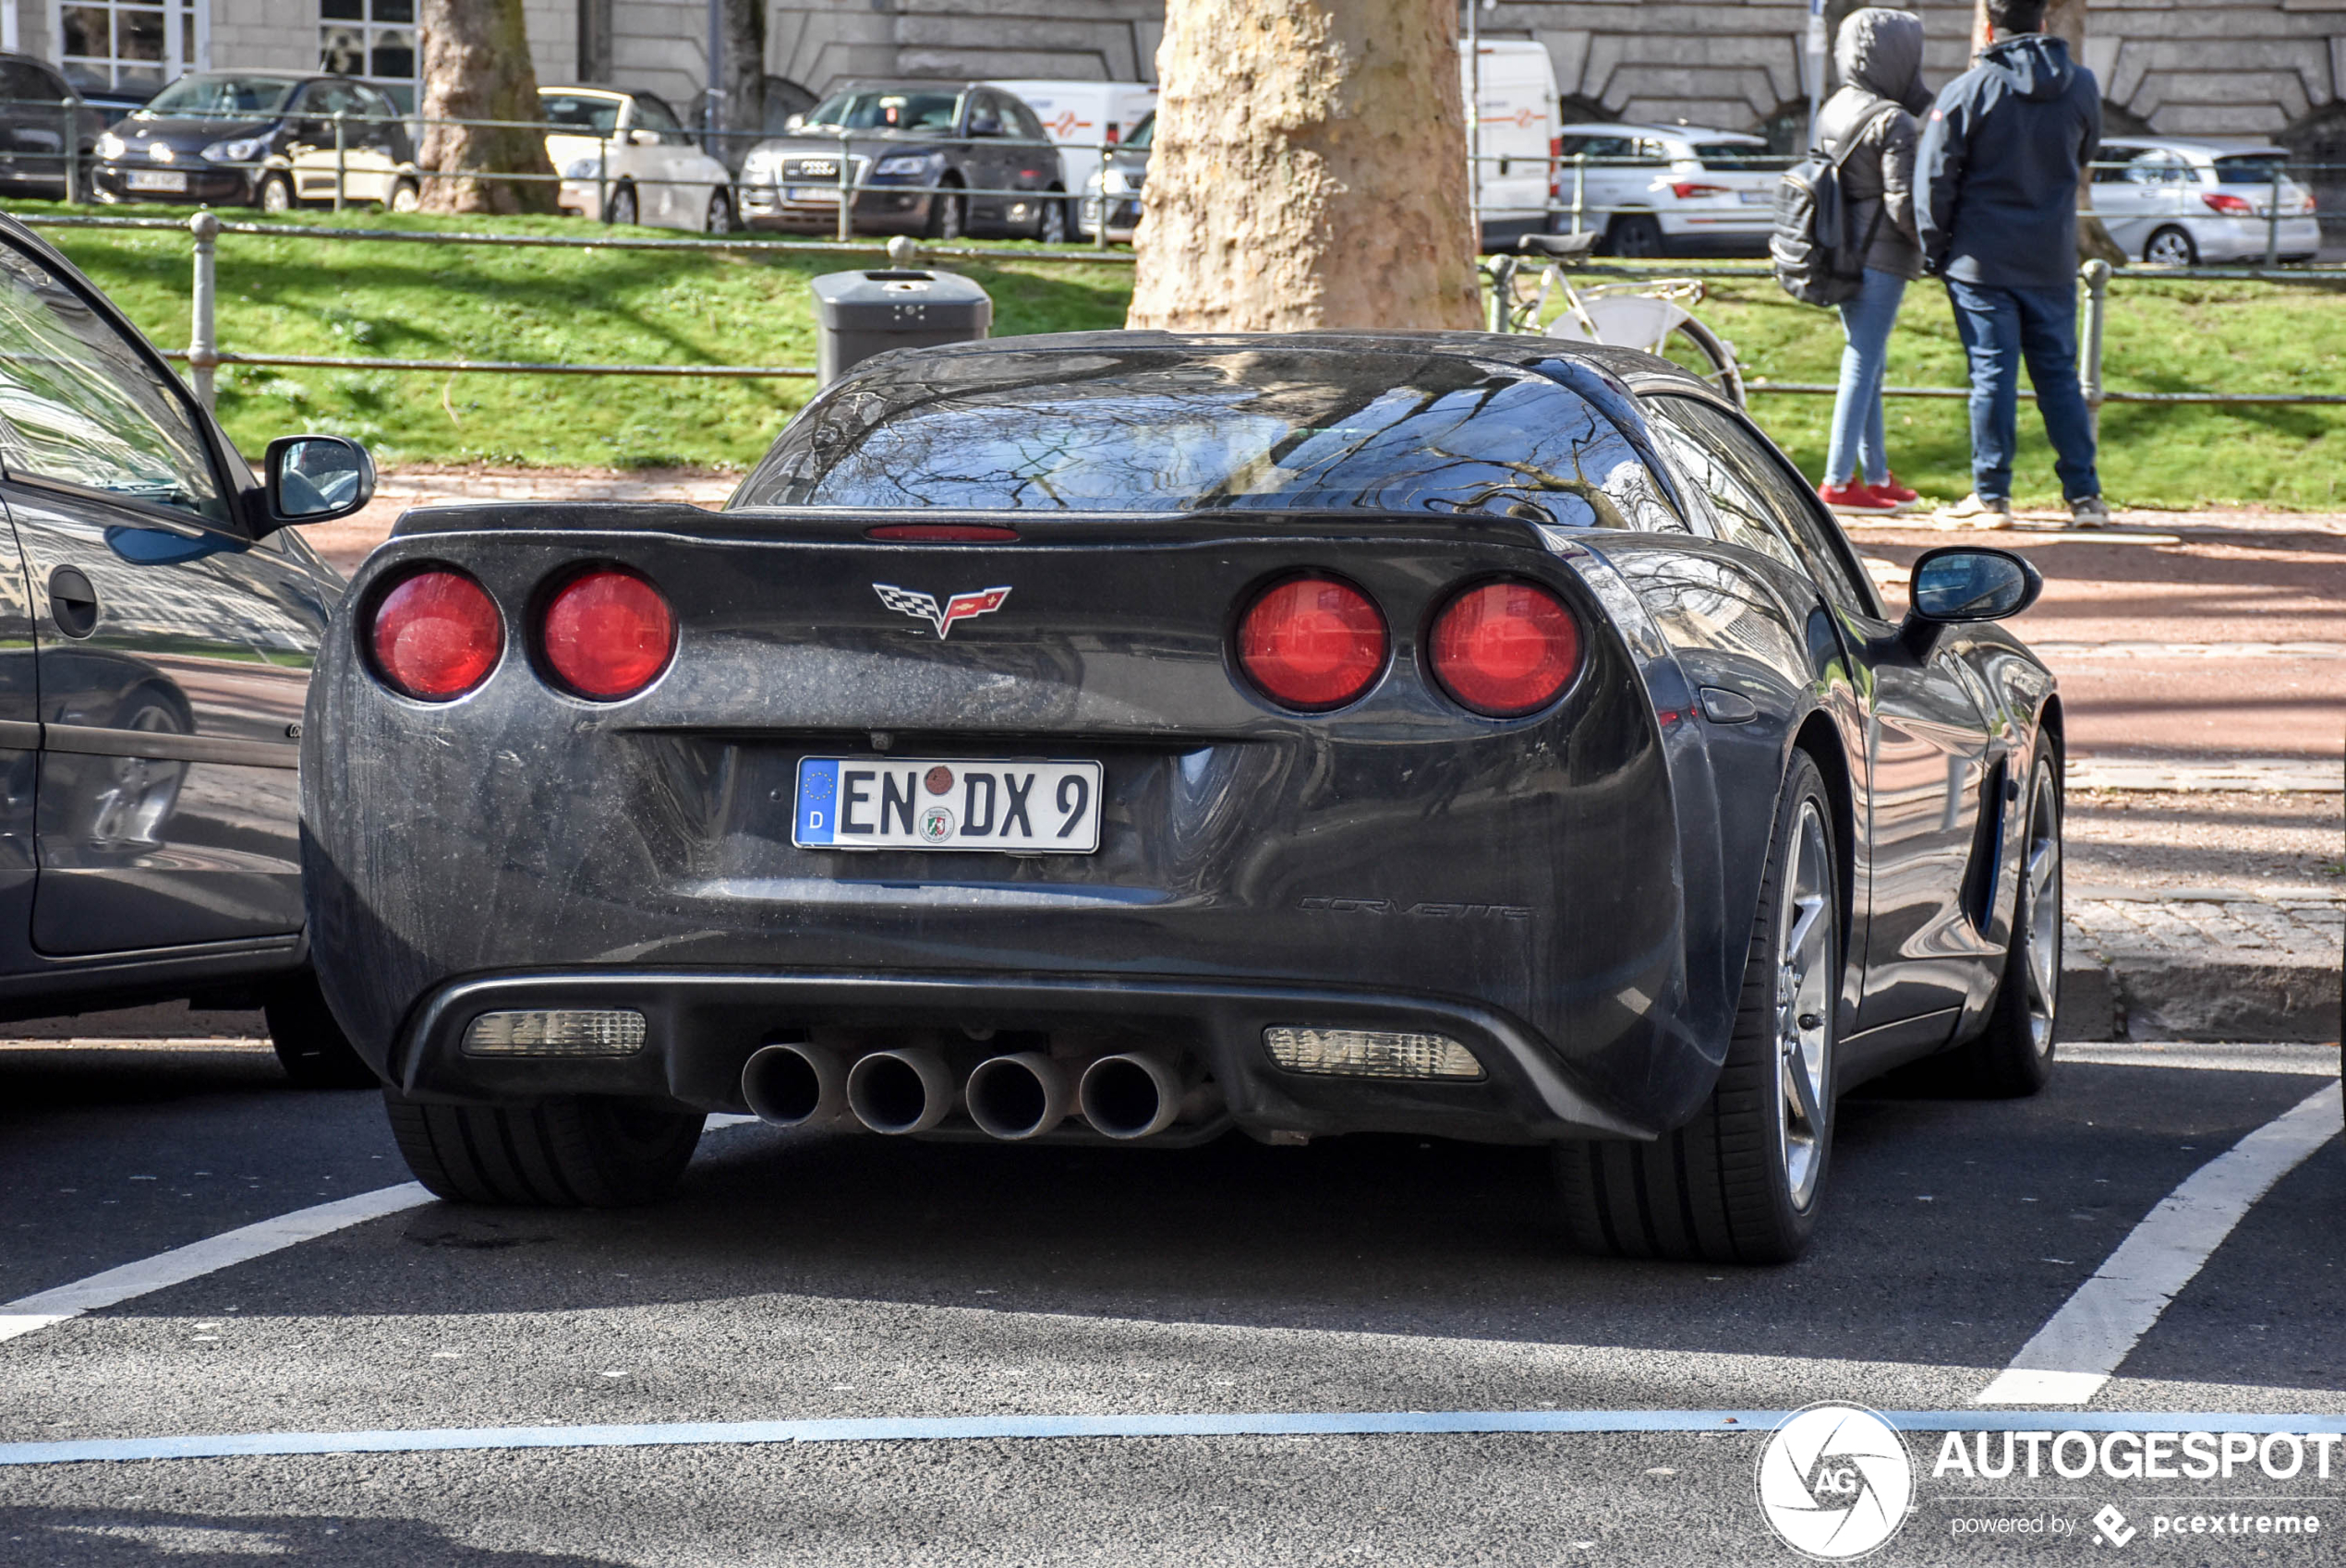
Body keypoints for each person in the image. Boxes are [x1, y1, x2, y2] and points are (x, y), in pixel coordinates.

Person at [1917, 0, 2110, 529]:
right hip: (2050, 256)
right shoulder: (2082, 85)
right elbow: (2086, 150)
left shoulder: (1970, 89)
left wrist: (1935, 249)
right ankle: (2085, 496)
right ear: (2044, 23)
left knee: (1992, 375)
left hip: (1981, 258)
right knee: (2060, 377)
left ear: (1987, 27)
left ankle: (1992, 495)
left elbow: (1934, 178)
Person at [1814, 7, 1934, 517]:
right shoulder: (1894, 118)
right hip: (1882, 255)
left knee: (1869, 358)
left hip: (1839, 251)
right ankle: (1839, 480)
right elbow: (1902, 202)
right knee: (1862, 361)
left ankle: (1877, 475)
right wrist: (1931, 243)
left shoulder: (1833, 107)